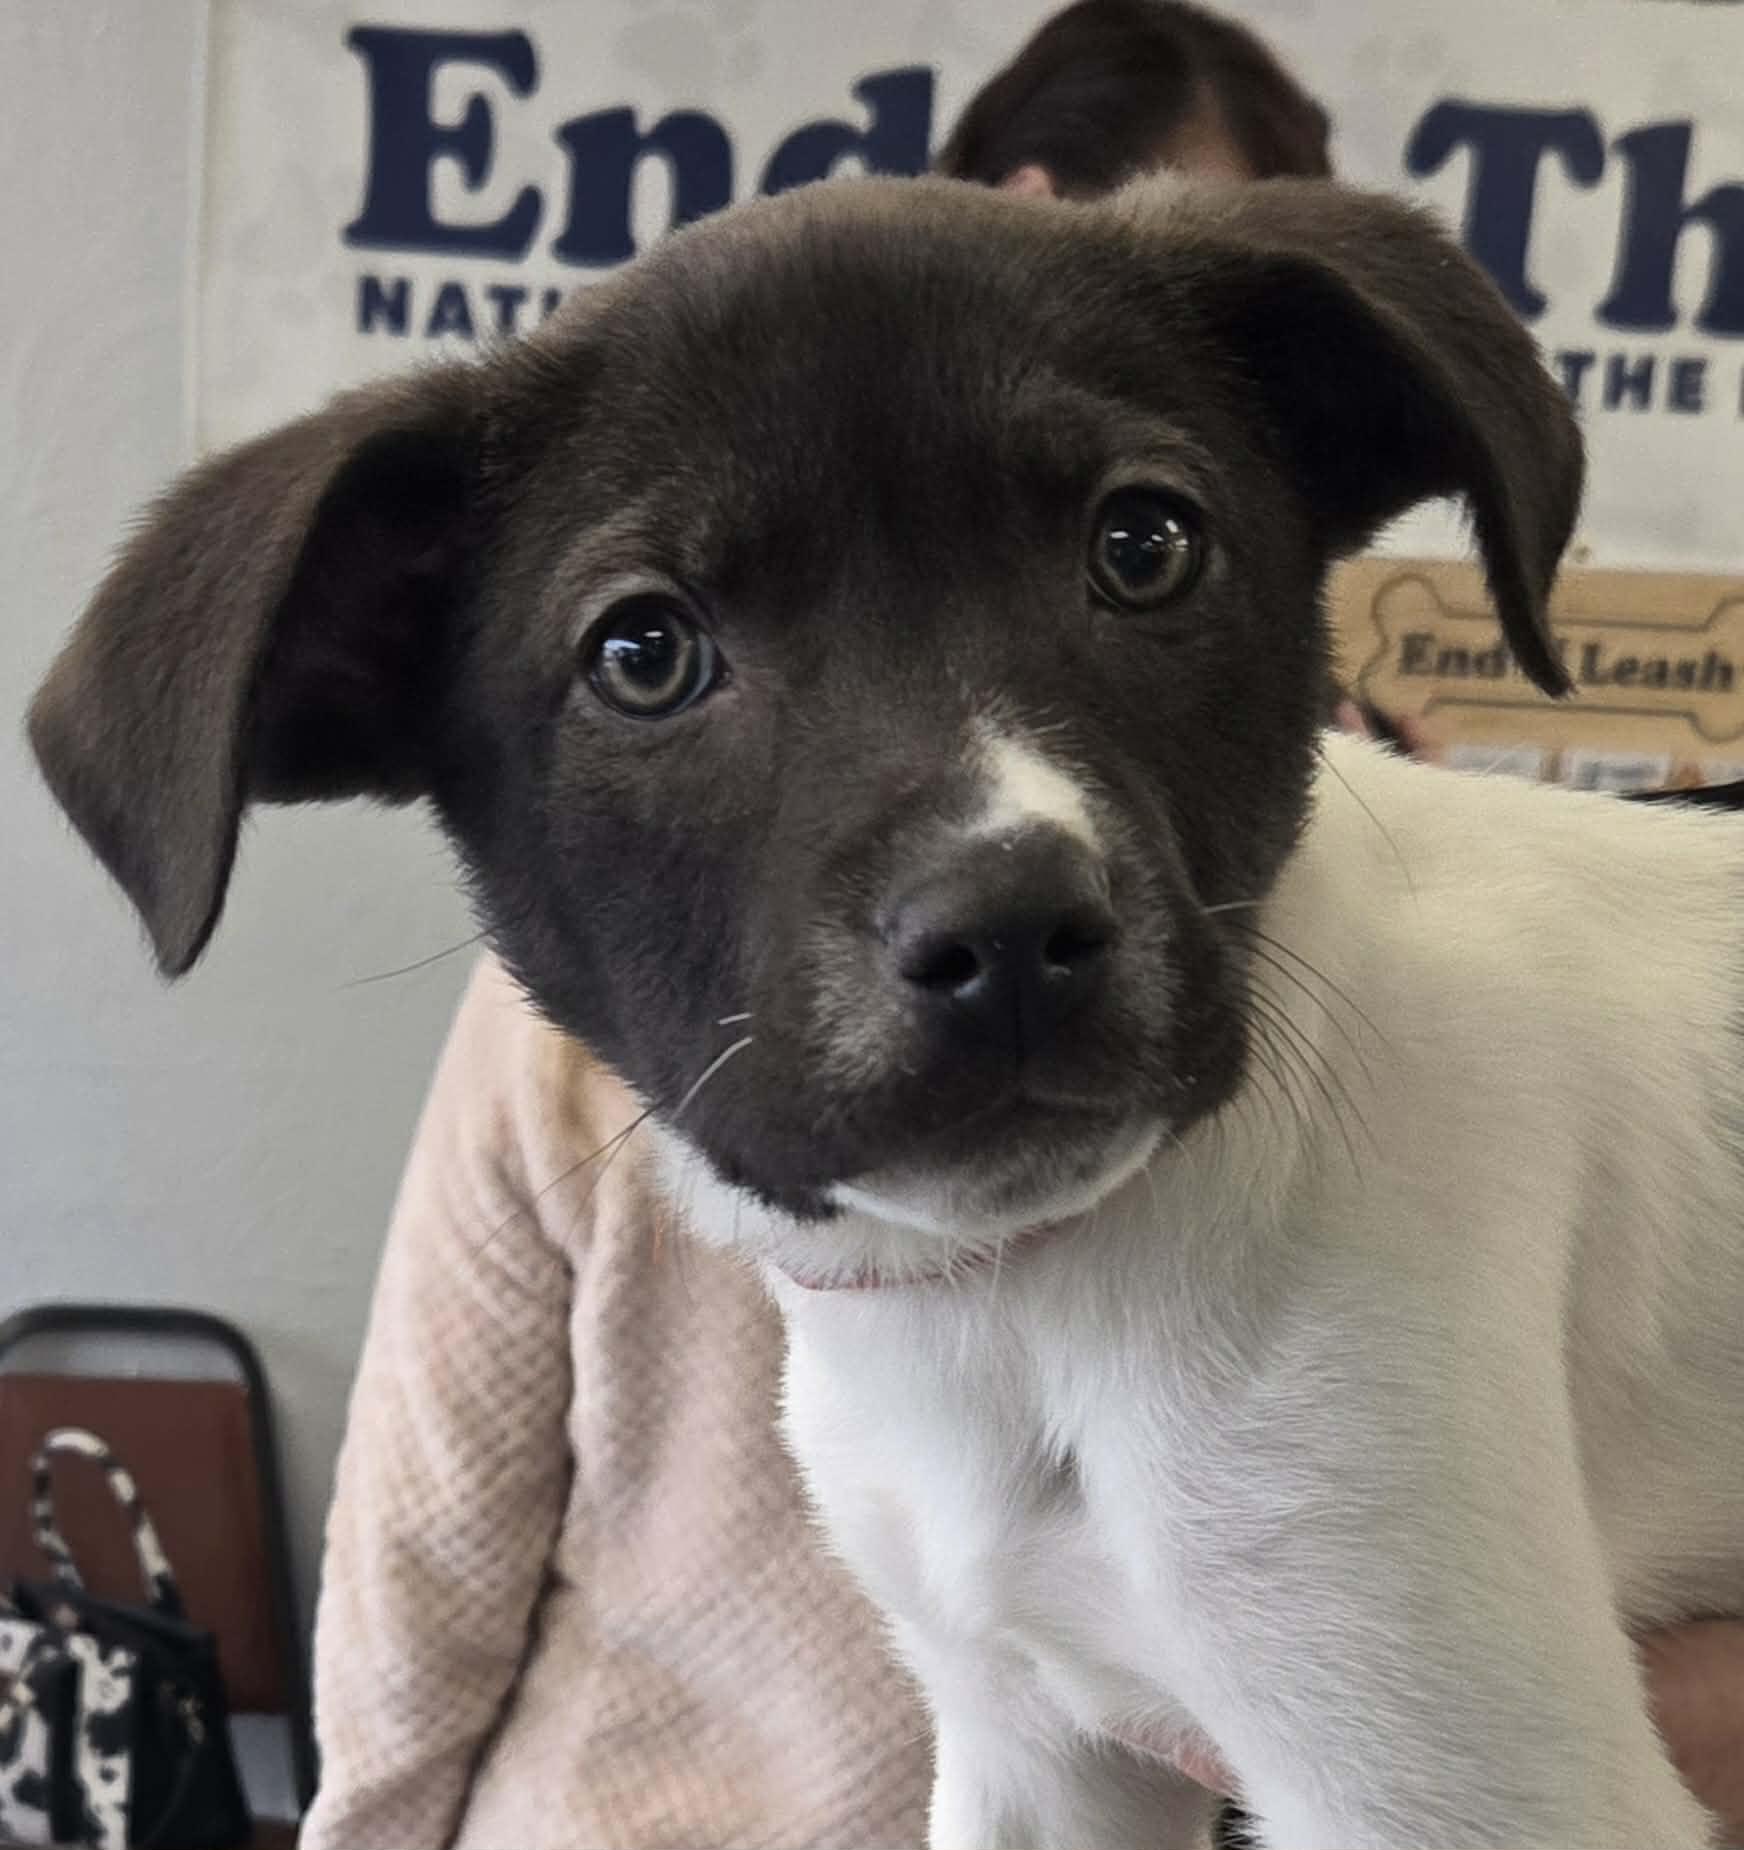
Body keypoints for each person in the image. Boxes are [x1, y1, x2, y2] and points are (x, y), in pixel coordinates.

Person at [298, 8, 1744, 1847]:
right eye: (651, 653)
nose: (998, 854)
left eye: (1141, 546)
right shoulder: (846, 1309)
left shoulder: (1362, 1227)